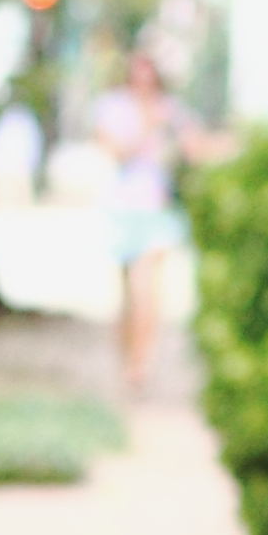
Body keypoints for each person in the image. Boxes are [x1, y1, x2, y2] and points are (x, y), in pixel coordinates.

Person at [91, 46, 185, 394]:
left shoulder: (171, 109)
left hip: (158, 209)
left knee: (147, 290)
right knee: (126, 297)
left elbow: (190, 145)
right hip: (122, 208)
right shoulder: (112, 107)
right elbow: (115, 151)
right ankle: (126, 360)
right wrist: (147, 127)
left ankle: (140, 366)